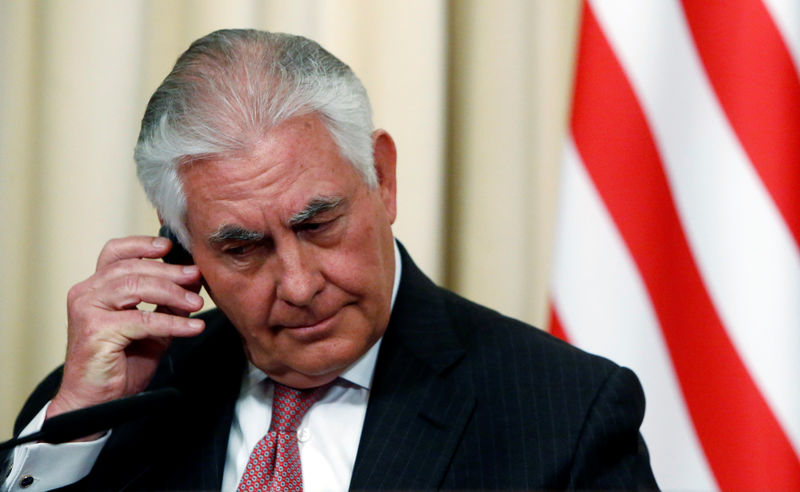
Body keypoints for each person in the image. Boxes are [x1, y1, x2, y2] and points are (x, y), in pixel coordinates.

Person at [1, 29, 657, 491]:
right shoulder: (109, 413)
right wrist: (78, 426)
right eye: (243, 249)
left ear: (382, 177)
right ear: (180, 251)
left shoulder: (563, 414)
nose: (299, 284)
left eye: (318, 224)